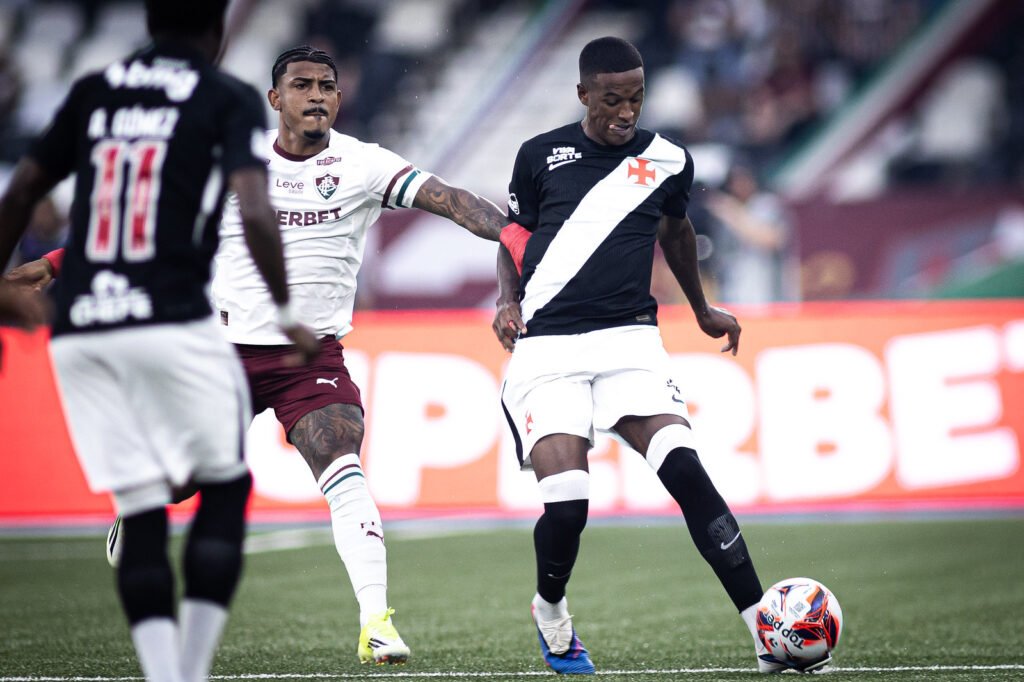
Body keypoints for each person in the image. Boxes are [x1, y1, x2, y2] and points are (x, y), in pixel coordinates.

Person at [8, 44, 514, 667]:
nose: (318, 96)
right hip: (222, 355)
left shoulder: (363, 164)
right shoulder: (230, 161)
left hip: (312, 358)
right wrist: (56, 265)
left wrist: (514, 232)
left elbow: (448, 197)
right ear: (276, 99)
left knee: (343, 463)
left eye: (327, 85)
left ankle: (376, 621)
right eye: (302, 85)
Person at [0, 2, 321, 681]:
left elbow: (27, 185)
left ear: (148, 24)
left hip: (82, 326)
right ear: (219, 29)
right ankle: (191, 671)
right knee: (226, 489)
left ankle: (161, 671)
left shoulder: (95, 90)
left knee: (142, 505)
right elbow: (254, 206)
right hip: (172, 316)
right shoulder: (224, 96)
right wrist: (287, 310)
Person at [493, 37, 794, 674]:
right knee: (570, 502)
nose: (625, 111)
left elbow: (677, 231)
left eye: (635, 98)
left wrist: (703, 308)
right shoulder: (539, 154)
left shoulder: (667, 160)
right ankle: (550, 608)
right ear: (582, 95)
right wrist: (506, 299)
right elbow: (513, 235)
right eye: (610, 99)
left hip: (631, 342)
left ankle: (764, 632)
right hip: (547, 347)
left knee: (686, 472)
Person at [703, 161, 792, 304]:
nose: (739, 186)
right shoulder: (726, 212)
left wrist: (732, 213)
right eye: (734, 182)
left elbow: (771, 239)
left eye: (743, 180)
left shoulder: (767, 205)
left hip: (768, 292)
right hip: (734, 290)